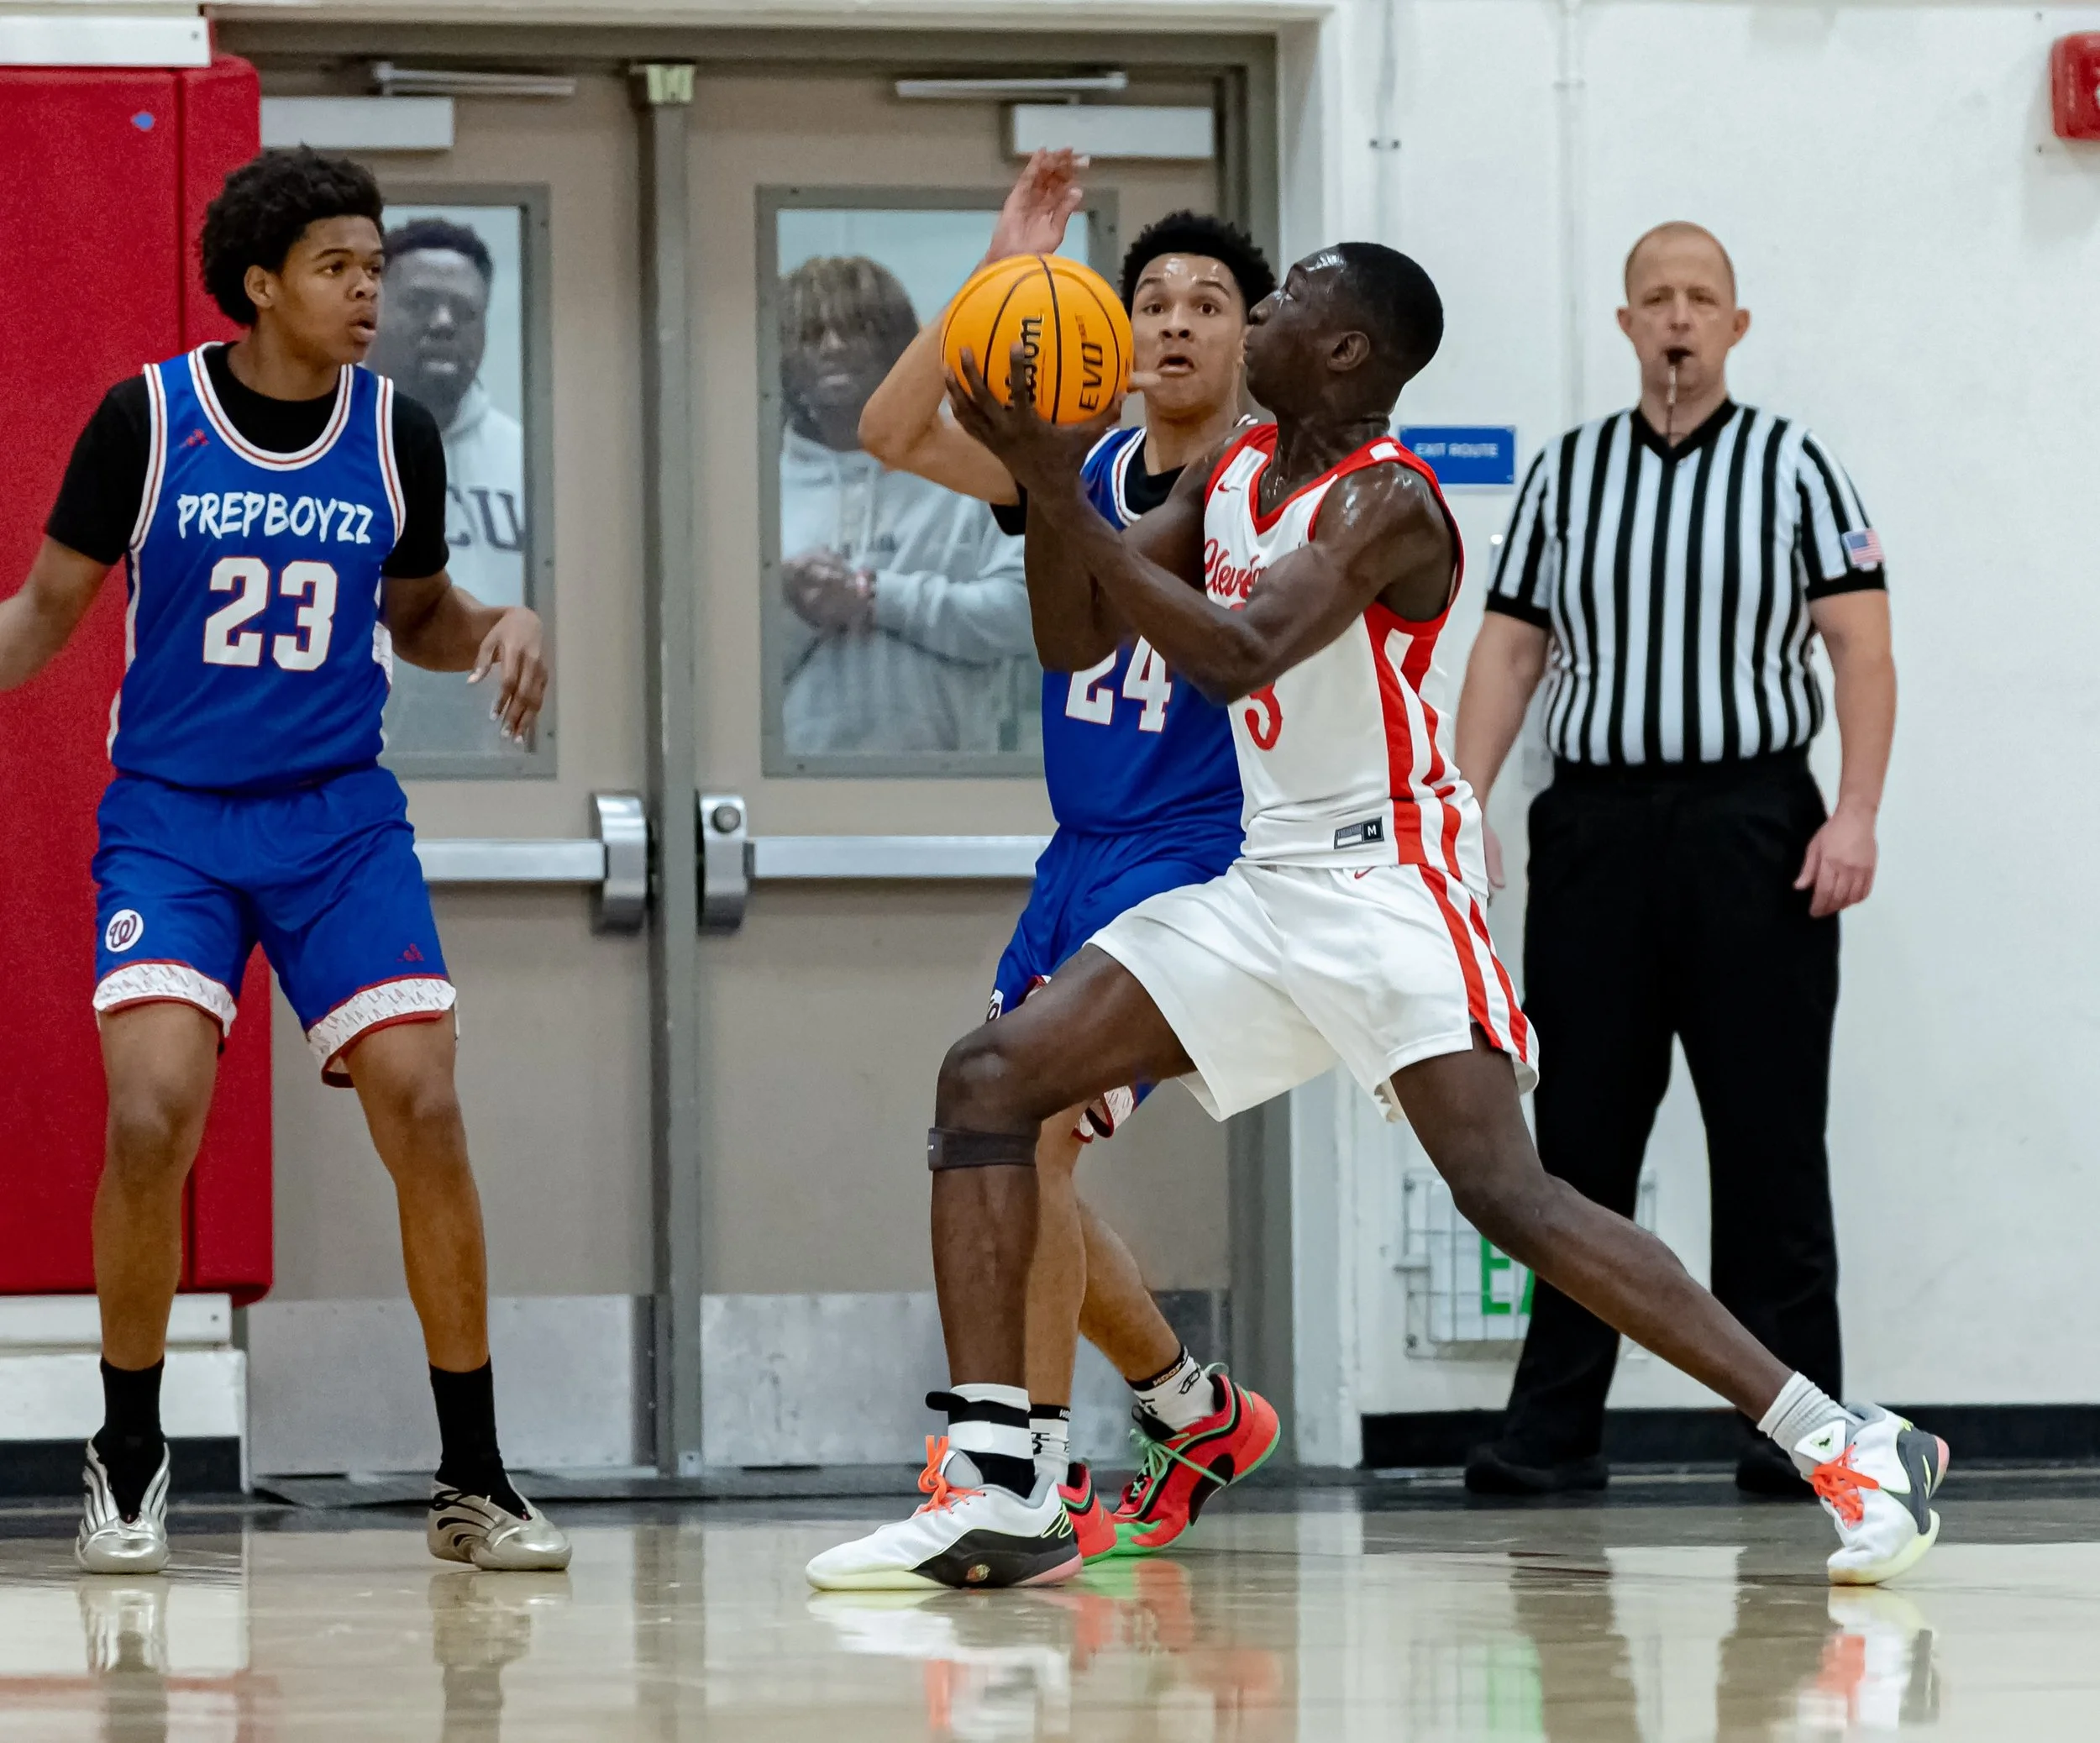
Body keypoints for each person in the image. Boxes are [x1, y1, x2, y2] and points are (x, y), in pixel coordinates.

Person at [806, 241, 1948, 1593]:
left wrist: (1063, 496)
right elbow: (1076, 638)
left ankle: (1847, 1440)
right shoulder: (1235, 470)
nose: (1263, 313)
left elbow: (1237, 655)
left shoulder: (1389, 501)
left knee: (1510, 1194)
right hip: (1264, 883)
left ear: (1346, 350)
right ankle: (1002, 1484)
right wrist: (1057, 491)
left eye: (1288, 299)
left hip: (1389, 884)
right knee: (991, 1078)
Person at [0, 147, 570, 1575]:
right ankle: (131, 1451)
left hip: (336, 820)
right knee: (151, 1115)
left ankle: (473, 1475)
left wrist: (501, 621)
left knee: (424, 1101)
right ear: (260, 284)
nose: (368, 291)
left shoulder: (396, 432)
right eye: (338, 267)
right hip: (175, 821)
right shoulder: (147, 420)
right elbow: (39, 618)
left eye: (375, 266)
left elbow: (421, 616)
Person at [857, 151, 1282, 1561]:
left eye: (1207, 303)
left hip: (1193, 859)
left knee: (1029, 1128)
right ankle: (1192, 1406)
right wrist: (998, 273)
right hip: (1078, 855)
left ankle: (1019, 1472)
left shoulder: (1267, 489)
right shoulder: (1076, 466)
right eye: (1151, 299)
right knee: (1009, 1145)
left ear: (1250, 338)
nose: (1174, 321)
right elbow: (892, 429)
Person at [1453, 221, 1898, 1499]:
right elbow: (1511, 650)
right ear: (1626, 323)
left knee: (1769, 1139)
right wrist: (1459, 803)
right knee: (1575, 1144)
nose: (1680, 317)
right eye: (1657, 297)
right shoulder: (1567, 473)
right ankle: (1553, 1429)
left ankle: (1796, 1431)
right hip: (1595, 832)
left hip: (1753, 829)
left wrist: (1854, 813)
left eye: (1702, 297)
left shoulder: (1795, 467)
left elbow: (1861, 647)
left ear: (1735, 324)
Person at [777, 255, 1034, 757]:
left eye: (856, 329)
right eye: (811, 333)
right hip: (792, 789)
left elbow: (1026, 618)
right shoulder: (754, 491)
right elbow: (723, 676)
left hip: (955, 780)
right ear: (784, 358)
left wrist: (878, 597)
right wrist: (796, 609)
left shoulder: (973, 471)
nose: (833, 346)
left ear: (898, 347)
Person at [367, 216, 529, 756]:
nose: (443, 324)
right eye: (419, 304)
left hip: (503, 765)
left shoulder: (529, 462)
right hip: (349, 758)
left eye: (465, 312)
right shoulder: (321, 452)